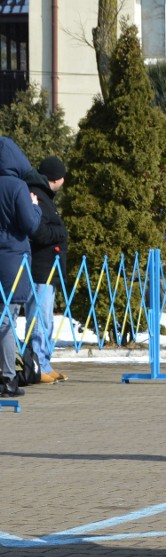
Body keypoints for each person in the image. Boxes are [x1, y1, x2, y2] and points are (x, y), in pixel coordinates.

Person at [0, 137, 42, 398]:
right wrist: (36, 208)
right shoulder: (17, 187)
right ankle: (7, 378)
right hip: (13, 259)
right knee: (7, 320)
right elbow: (30, 226)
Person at [24, 156, 69, 384]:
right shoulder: (37, 196)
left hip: (49, 269)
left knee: (46, 320)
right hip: (41, 268)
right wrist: (60, 234)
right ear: (57, 178)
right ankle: (37, 364)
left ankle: (45, 362)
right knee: (39, 319)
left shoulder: (43, 196)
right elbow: (39, 231)